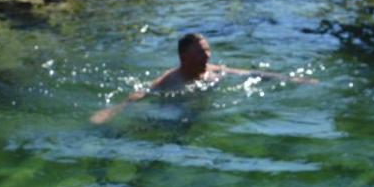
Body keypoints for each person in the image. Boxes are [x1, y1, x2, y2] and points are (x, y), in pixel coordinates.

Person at [90, 32, 316, 125]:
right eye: (200, 52)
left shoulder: (213, 70)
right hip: (175, 114)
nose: (207, 55)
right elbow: (141, 94)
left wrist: (292, 79)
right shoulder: (171, 79)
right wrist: (112, 110)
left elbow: (252, 74)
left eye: (207, 50)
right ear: (183, 56)